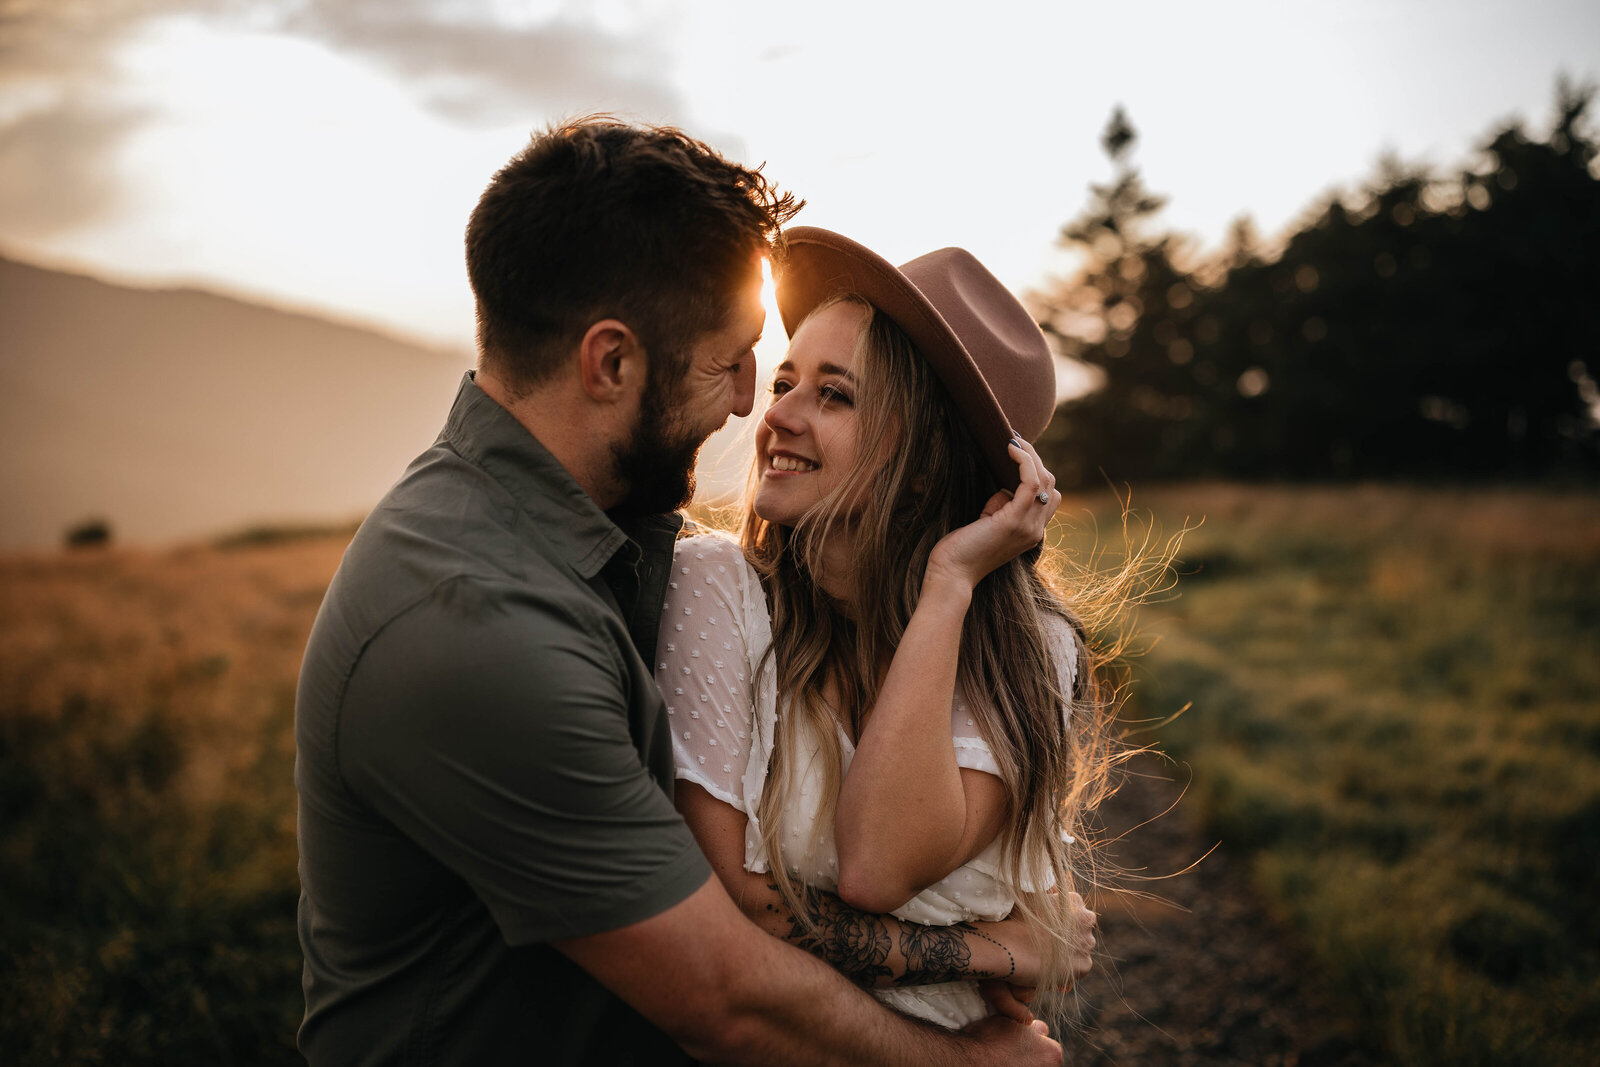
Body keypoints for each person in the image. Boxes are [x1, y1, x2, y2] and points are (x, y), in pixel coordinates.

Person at [294, 120, 1063, 1066]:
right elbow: (724, 992)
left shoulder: (608, 527)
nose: (752, 402)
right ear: (611, 363)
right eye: (733, 360)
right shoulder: (476, 623)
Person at [658, 227, 1110, 1031]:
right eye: (785, 385)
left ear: (928, 461)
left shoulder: (1027, 647)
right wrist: (998, 951)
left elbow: (878, 861)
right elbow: (730, 914)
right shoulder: (720, 591)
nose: (778, 419)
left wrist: (948, 587)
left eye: (834, 395)